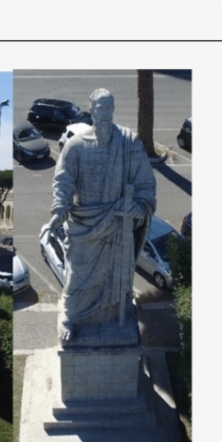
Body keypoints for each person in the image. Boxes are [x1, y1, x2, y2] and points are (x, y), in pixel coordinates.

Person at [42, 89, 156, 342]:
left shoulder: (129, 143)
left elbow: (146, 183)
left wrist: (139, 206)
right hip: (84, 225)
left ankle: (112, 316)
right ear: (91, 110)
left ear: (113, 109)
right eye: (99, 109)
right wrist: (58, 212)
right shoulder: (76, 146)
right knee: (78, 278)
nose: (104, 114)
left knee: (116, 278)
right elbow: (63, 182)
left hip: (118, 225)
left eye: (108, 109)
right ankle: (71, 317)